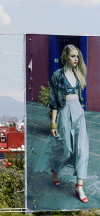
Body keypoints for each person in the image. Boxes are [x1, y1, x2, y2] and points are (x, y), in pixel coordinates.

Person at [34, 44, 89, 203]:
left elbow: (78, 98)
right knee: (66, 149)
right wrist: (53, 124)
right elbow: (54, 101)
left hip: (78, 112)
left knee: (82, 150)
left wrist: (80, 112)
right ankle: (54, 169)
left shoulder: (79, 75)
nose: (76, 59)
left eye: (77, 56)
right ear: (65, 57)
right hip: (64, 113)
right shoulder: (57, 75)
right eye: (73, 56)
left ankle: (79, 186)